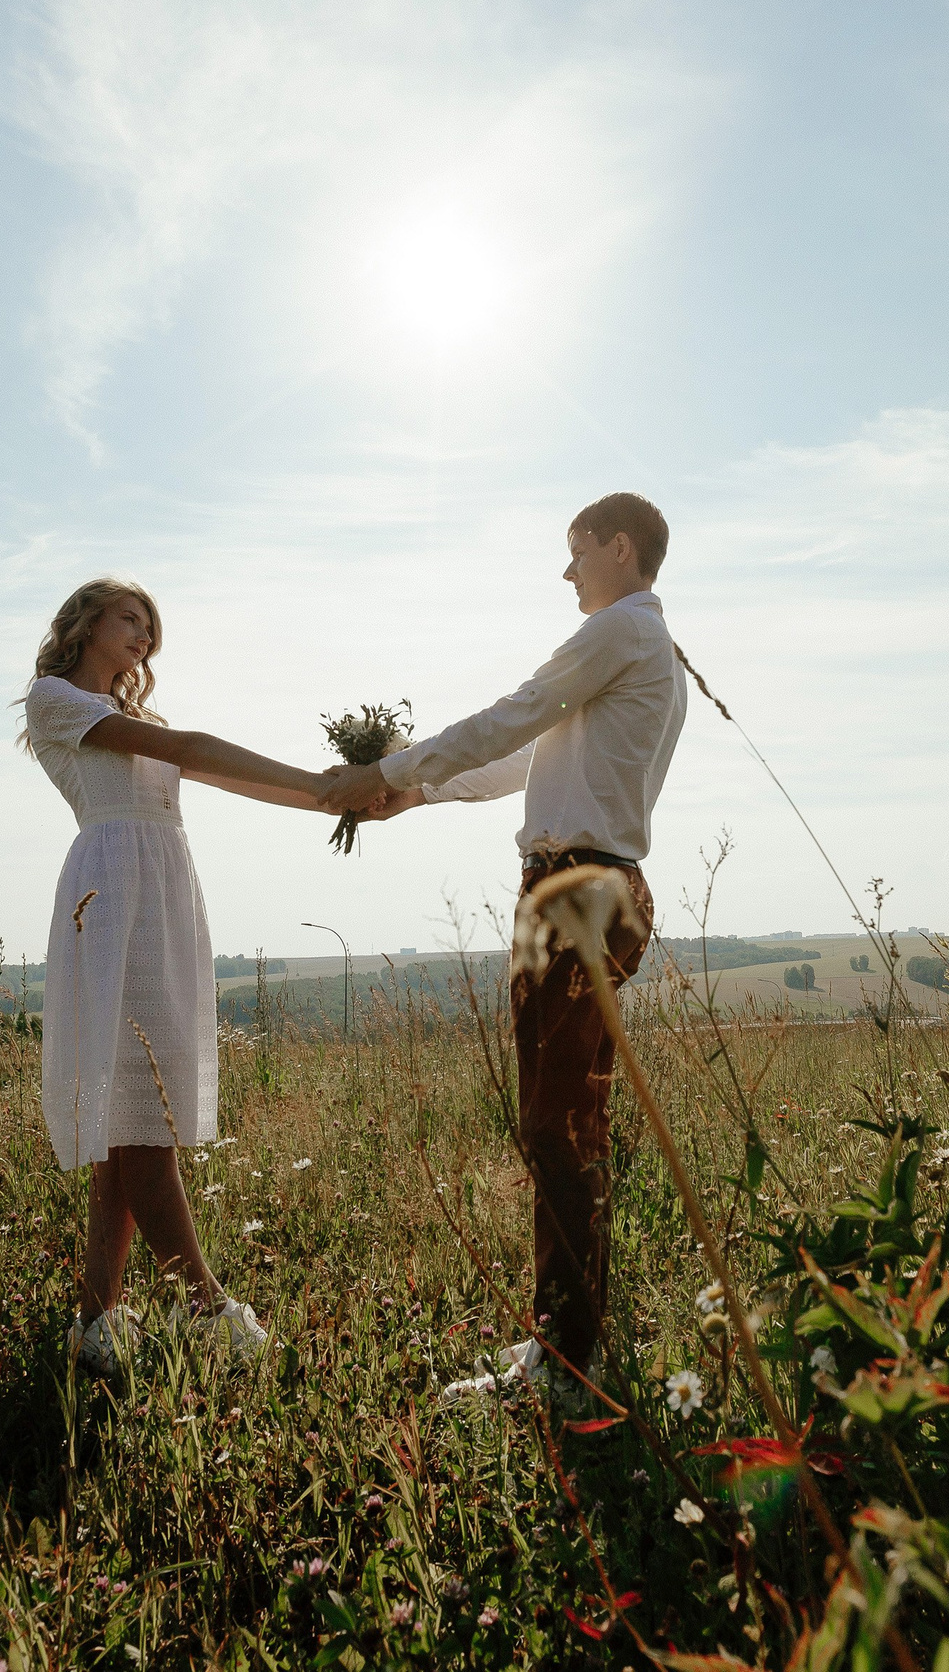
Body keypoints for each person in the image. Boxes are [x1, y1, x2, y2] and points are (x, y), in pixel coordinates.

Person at [322, 492, 687, 1397]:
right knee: (567, 1120)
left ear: (620, 544)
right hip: (582, 889)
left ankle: (566, 1361)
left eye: (576, 551)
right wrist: (415, 793)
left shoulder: (625, 631)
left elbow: (518, 711)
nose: (567, 570)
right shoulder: (636, 647)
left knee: (554, 1124)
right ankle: (567, 1343)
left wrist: (386, 767)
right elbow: (527, 757)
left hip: (579, 892)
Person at [22, 577, 339, 1376]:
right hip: (113, 892)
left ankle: (95, 1323)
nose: (145, 636)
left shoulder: (138, 721)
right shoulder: (54, 698)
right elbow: (195, 750)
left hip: (160, 893)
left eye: (152, 626)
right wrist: (320, 783)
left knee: (124, 1129)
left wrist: (328, 799)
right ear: (87, 620)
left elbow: (214, 772)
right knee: (143, 1121)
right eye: (133, 618)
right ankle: (207, 1308)